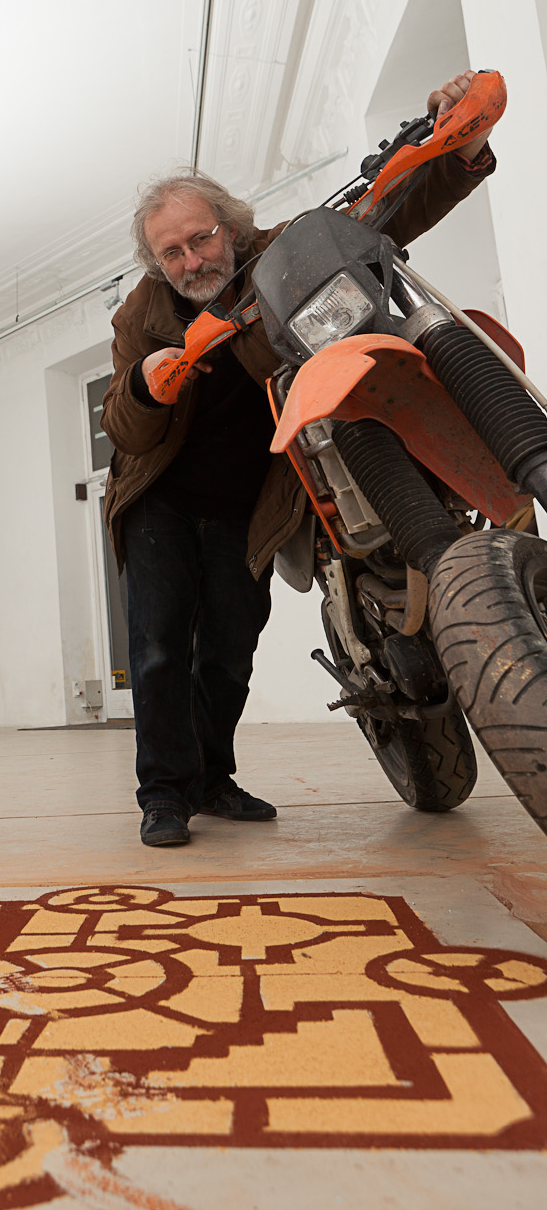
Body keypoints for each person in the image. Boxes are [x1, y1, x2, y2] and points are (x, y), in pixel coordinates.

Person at [100, 71, 498, 847]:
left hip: (250, 505)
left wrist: (460, 151)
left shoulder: (280, 255)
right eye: (172, 252)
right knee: (158, 647)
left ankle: (213, 779)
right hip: (162, 500)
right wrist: (146, 385)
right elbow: (126, 429)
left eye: (201, 238)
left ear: (231, 226)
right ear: (156, 263)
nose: (191, 259)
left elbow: (384, 217)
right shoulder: (139, 317)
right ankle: (165, 795)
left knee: (229, 650)